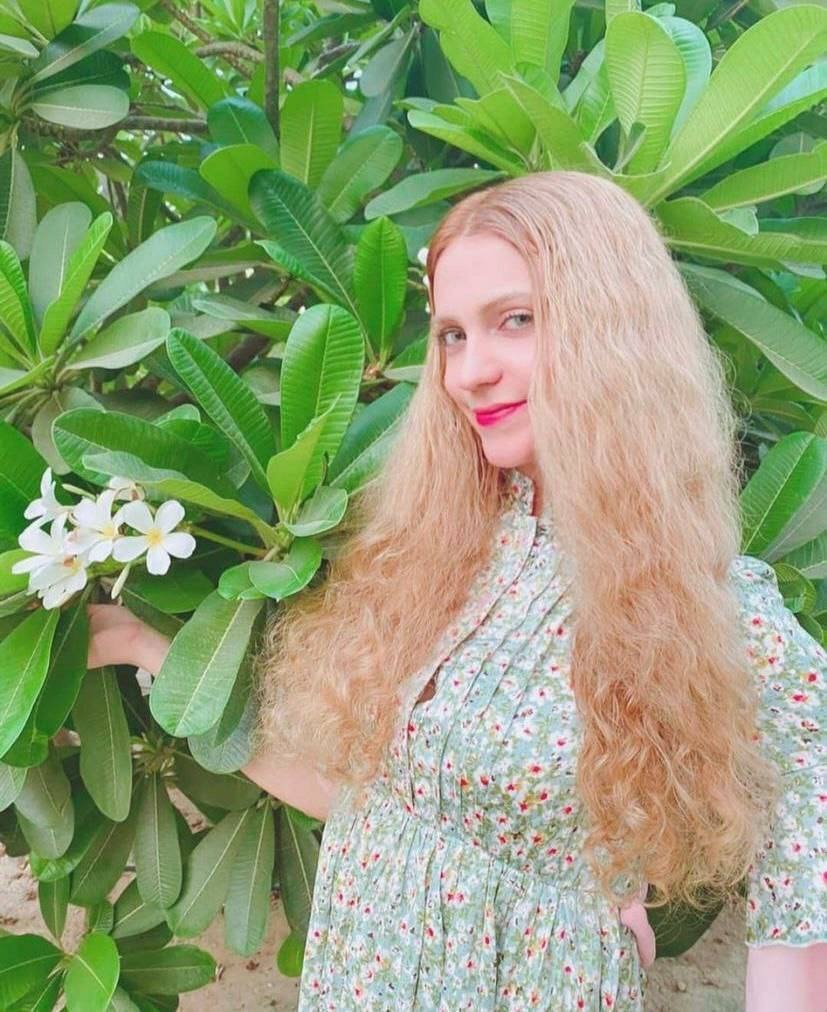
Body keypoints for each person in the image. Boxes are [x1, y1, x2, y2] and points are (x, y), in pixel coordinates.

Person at [87, 171, 826, 1010]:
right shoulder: (433, 549)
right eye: (450, 334)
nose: (469, 371)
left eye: (516, 320)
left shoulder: (717, 611)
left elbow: (806, 887)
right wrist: (153, 650)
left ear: (614, 331)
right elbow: (369, 807)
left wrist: (572, 888)